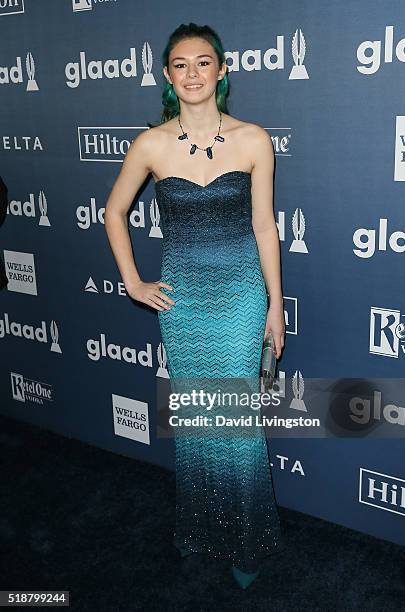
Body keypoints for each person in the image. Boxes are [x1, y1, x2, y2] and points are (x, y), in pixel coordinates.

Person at [104, 22, 285, 589]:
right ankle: (199, 525)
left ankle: (246, 537)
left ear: (222, 70)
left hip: (239, 296)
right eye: (180, 65)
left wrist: (275, 307)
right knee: (195, 417)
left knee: (234, 419)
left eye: (203, 63)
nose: (192, 74)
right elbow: (114, 214)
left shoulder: (254, 139)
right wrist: (133, 281)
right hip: (181, 300)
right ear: (167, 75)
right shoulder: (151, 143)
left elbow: (263, 227)